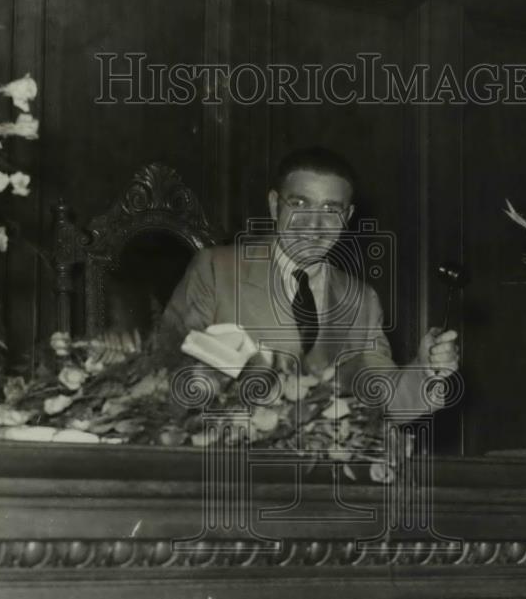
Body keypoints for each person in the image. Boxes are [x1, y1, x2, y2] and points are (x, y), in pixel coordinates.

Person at [159, 146, 459, 415]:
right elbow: (164, 369)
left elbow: (383, 398)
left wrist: (426, 369)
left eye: (331, 210)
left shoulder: (361, 299)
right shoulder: (215, 269)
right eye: (300, 205)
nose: (314, 225)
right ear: (275, 205)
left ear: (348, 216)